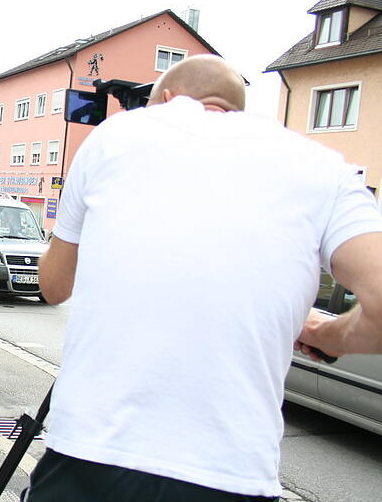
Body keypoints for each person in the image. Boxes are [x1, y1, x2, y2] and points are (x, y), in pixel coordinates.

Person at [28, 55, 382, 501]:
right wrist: (329, 334)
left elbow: (54, 286)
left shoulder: (116, 135)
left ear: (167, 102)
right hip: (232, 472)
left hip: (94, 455)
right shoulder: (326, 169)